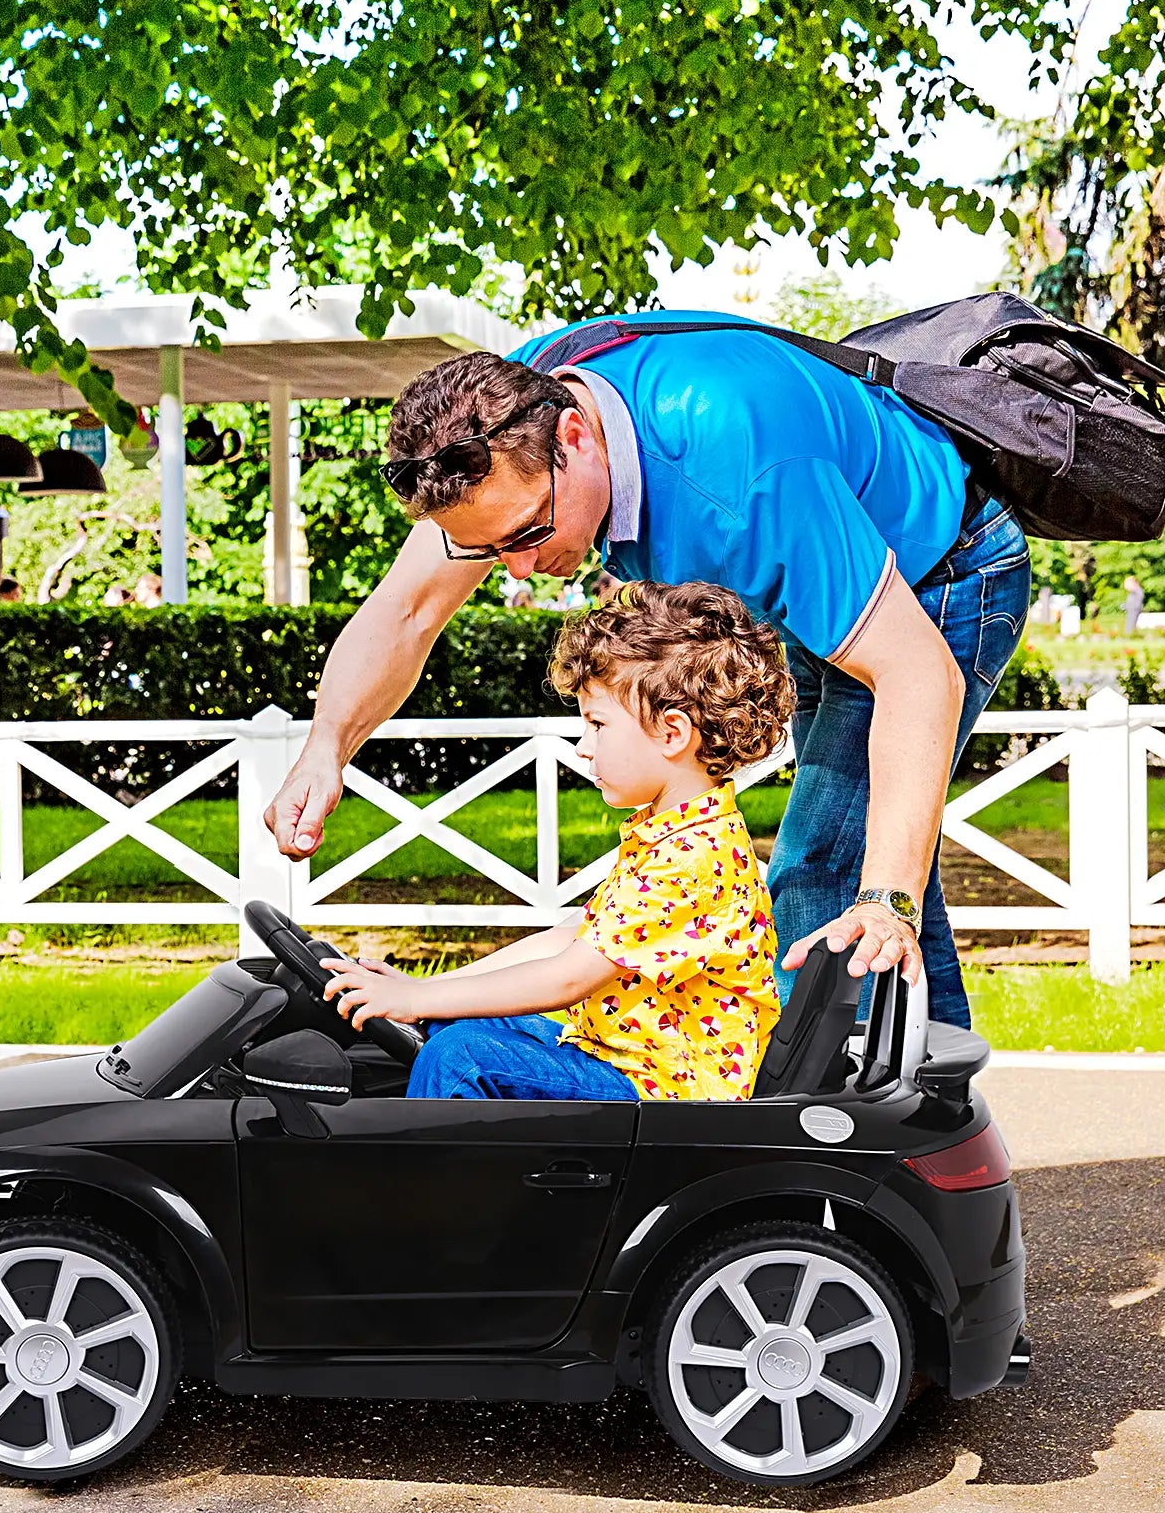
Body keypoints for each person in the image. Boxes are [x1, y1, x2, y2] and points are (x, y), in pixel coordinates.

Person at [265, 315, 1032, 1029]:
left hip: (942, 571)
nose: (521, 572)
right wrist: (325, 748)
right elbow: (405, 612)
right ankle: (933, 1142)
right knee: (873, 853)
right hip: (824, 570)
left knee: (826, 872)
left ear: (575, 435)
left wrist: (886, 897)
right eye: (487, 549)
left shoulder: (740, 473)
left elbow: (919, 677)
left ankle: (815, 1147)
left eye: (529, 534)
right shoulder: (505, 415)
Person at [324, 582, 791, 1101]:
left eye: (596, 724)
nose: (584, 747)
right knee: (447, 1024)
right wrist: (425, 993)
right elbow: (570, 938)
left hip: (663, 1093)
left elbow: (570, 977)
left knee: (460, 1057)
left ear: (671, 732)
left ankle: (427, 1182)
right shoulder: (674, 832)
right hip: (620, 1055)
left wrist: (419, 996)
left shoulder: (691, 857)